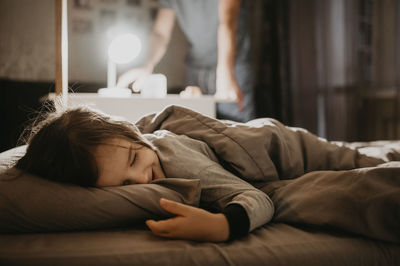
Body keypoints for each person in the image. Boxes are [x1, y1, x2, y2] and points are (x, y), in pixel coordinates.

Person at [16, 106, 274, 242]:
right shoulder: (126, 152)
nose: (141, 179)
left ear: (131, 129)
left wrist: (222, 225)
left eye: (134, 158)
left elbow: (259, 198)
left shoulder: (179, 161)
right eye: (124, 184)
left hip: (281, 144)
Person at [117, 0, 255, 122]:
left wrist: (225, 73)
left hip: (232, 67)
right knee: (195, 128)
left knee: (237, 130)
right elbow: (160, 33)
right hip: (196, 67)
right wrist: (147, 65)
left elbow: (227, 22)